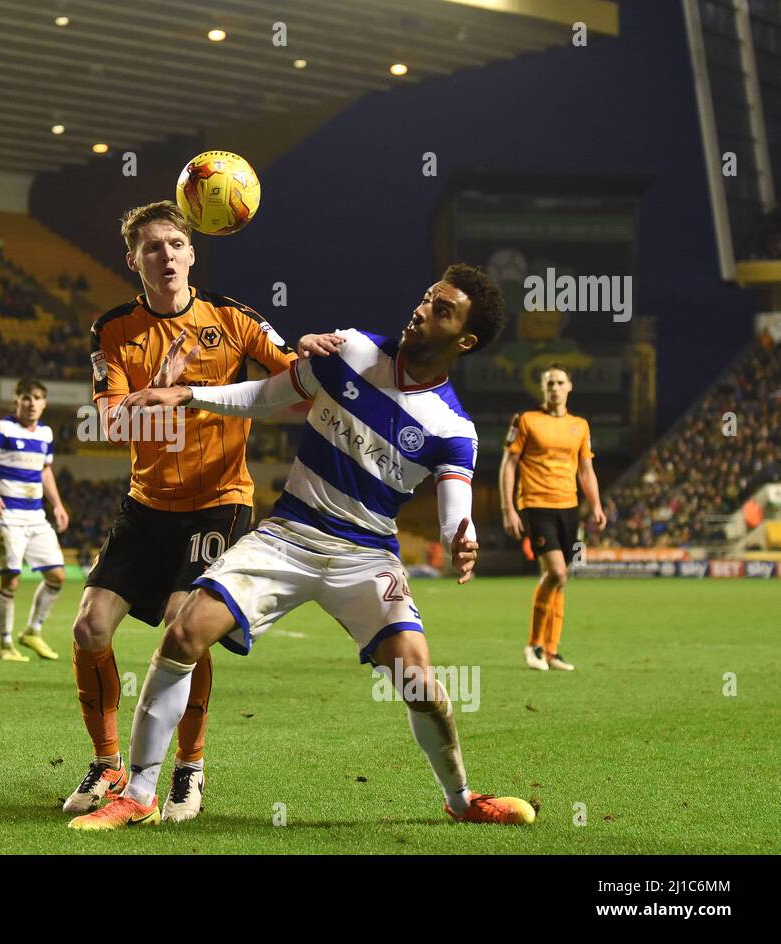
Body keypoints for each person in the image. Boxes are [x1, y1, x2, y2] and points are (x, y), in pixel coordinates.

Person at [71, 265, 535, 830]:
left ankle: (462, 800)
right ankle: (141, 792)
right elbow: (265, 396)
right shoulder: (352, 350)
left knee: (420, 683)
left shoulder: (455, 429)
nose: (422, 310)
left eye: (442, 310)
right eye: (425, 298)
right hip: (288, 535)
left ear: (465, 341)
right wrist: (188, 394)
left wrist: (462, 538)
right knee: (185, 631)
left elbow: (454, 513)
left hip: (365, 557)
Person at [63, 200, 296, 821]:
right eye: (150, 246)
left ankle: (188, 771)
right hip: (147, 503)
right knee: (89, 628)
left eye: (174, 243)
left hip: (218, 503)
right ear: (132, 259)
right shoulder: (113, 330)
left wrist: (318, 350)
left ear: (192, 252)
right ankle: (108, 764)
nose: (164, 255)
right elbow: (109, 422)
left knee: (181, 624)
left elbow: (296, 378)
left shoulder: (235, 319)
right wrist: (152, 387)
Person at [499, 365, 605, 671]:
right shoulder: (526, 420)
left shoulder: (580, 426)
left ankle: (551, 651)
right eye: (549, 384)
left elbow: (586, 469)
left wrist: (596, 505)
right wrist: (509, 509)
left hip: (569, 507)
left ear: (570, 386)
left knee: (560, 579)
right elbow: (509, 464)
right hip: (536, 503)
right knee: (557, 572)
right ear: (543, 389)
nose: (555, 388)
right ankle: (533, 645)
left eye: (560, 382)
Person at [0, 378, 68, 662]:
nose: (32, 403)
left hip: (36, 517)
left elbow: (45, 471)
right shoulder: (3, 428)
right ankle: (4, 644)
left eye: (38, 397)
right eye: (26, 397)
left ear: (44, 403)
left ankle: (32, 631)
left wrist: (58, 505)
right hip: (7, 518)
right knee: (10, 581)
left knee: (57, 576)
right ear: (17, 401)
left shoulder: (46, 434)